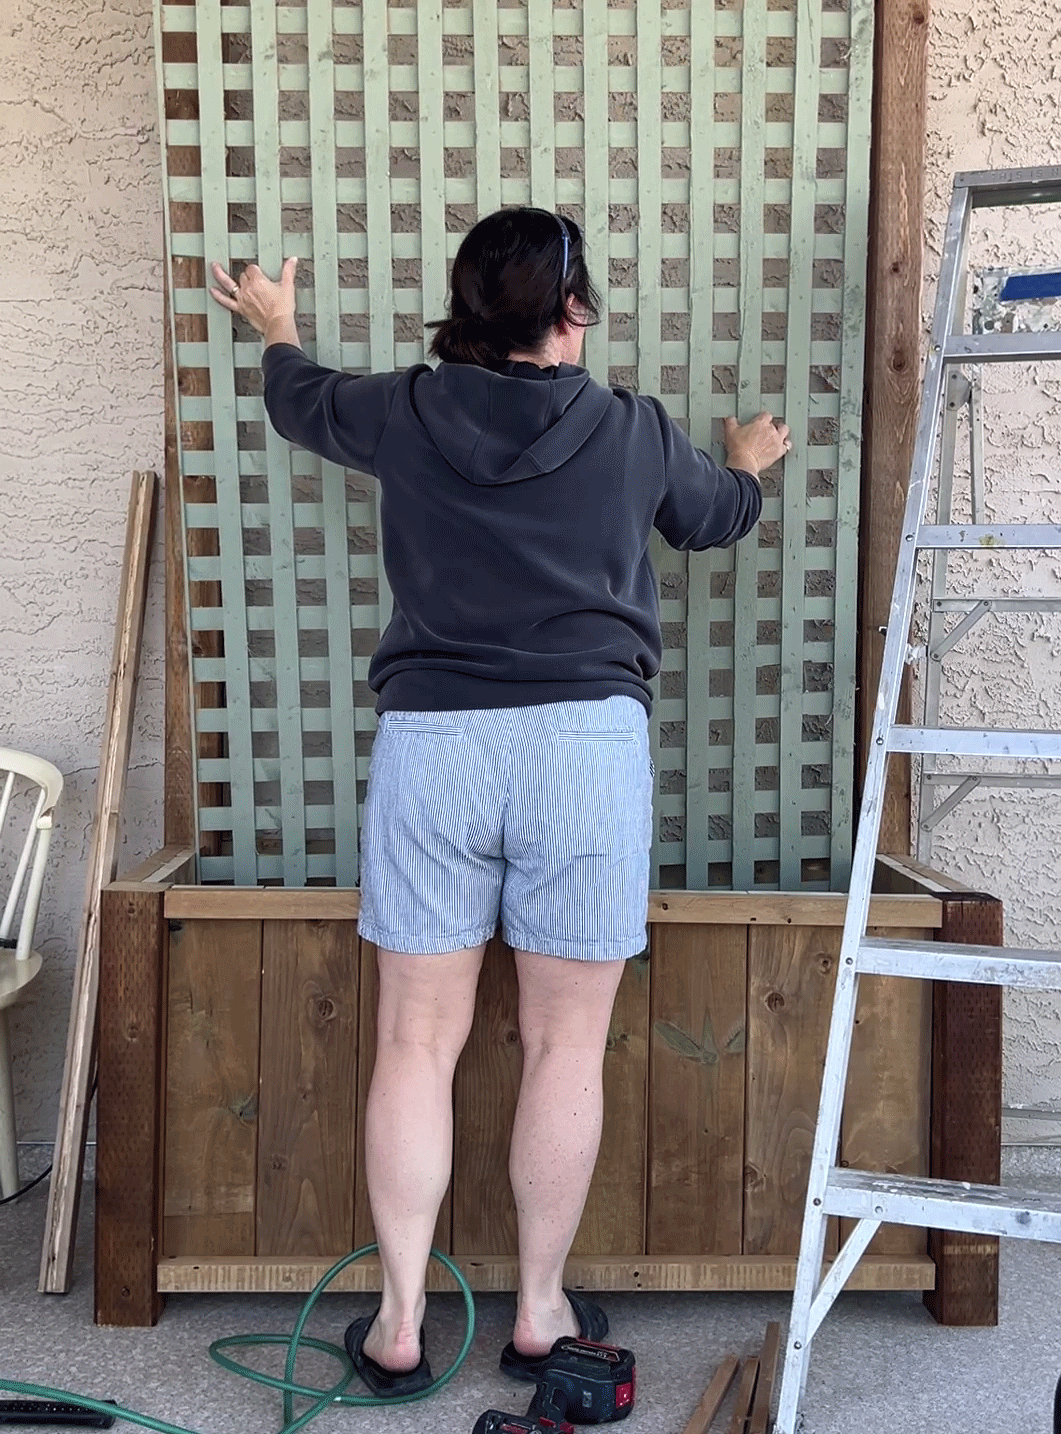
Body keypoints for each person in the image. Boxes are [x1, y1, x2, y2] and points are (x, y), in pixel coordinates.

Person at [209, 208, 790, 1396]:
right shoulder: (632, 430)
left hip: (436, 746)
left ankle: (401, 1325)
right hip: (585, 746)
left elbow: (298, 397)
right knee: (565, 1043)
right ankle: (535, 1316)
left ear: (470, 311)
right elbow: (715, 521)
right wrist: (746, 462)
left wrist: (276, 325)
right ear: (571, 311)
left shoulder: (404, 411)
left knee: (416, 1042)